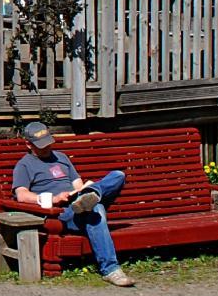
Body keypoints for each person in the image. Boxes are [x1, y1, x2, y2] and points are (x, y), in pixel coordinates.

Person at [11, 120, 133, 286]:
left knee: (118, 176)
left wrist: (82, 191)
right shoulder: (24, 165)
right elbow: (22, 195)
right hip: (62, 212)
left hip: (77, 201)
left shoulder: (61, 158)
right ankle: (111, 270)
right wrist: (54, 199)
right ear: (28, 144)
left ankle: (91, 195)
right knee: (96, 210)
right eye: (41, 145)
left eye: (48, 142)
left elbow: (77, 184)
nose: (47, 147)